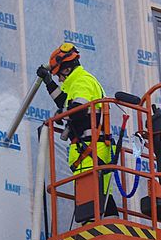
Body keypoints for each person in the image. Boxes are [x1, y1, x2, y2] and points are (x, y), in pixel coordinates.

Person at [37, 43, 117, 224]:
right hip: (91, 149)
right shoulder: (76, 82)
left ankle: (94, 231)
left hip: (90, 149)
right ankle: (111, 225)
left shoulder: (81, 81)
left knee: (91, 194)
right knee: (100, 192)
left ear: (67, 68)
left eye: (58, 75)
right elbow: (64, 102)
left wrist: (63, 114)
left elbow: (78, 109)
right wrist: (48, 82)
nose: (59, 79)